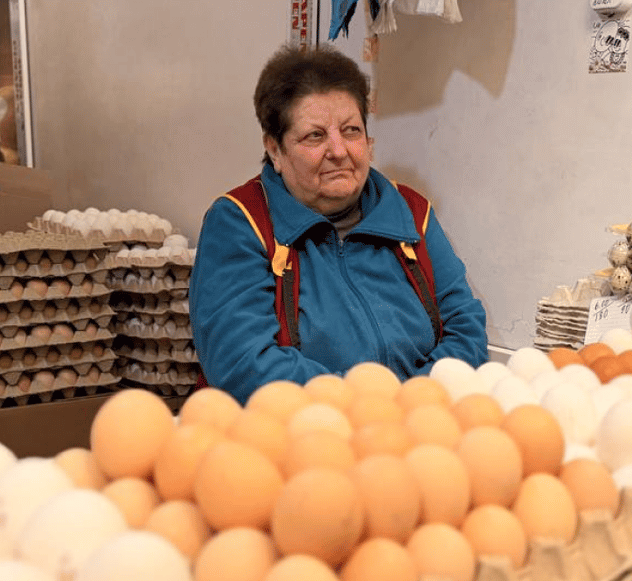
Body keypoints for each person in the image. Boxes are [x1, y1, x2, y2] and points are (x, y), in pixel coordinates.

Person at [189, 44, 488, 403]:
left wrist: (413, 400)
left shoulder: (411, 213)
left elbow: (465, 328)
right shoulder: (240, 223)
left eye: (351, 131)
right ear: (274, 149)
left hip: (414, 419)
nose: (339, 150)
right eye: (315, 136)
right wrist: (367, 405)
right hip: (297, 429)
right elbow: (243, 362)